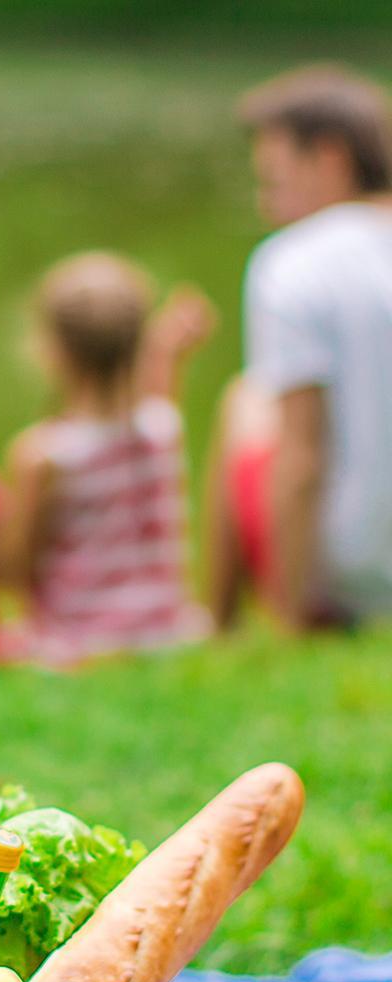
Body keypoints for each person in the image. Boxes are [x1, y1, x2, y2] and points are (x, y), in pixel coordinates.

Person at [210, 65, 392, 630]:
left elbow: (301, 458)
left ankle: (220, 622)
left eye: (275, 181)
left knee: (243, 400)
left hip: (355, 576)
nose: (267, 205)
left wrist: (290, 621)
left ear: (330, 158)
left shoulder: (293, 261)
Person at [0, 252, 214, 666]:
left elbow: (12, 570)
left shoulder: (43, 455)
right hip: (166, 635)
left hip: (79, 641)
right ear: (138, 345)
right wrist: (168, 353)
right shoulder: (164, 429)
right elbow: (154, 396)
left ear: (52, 351)